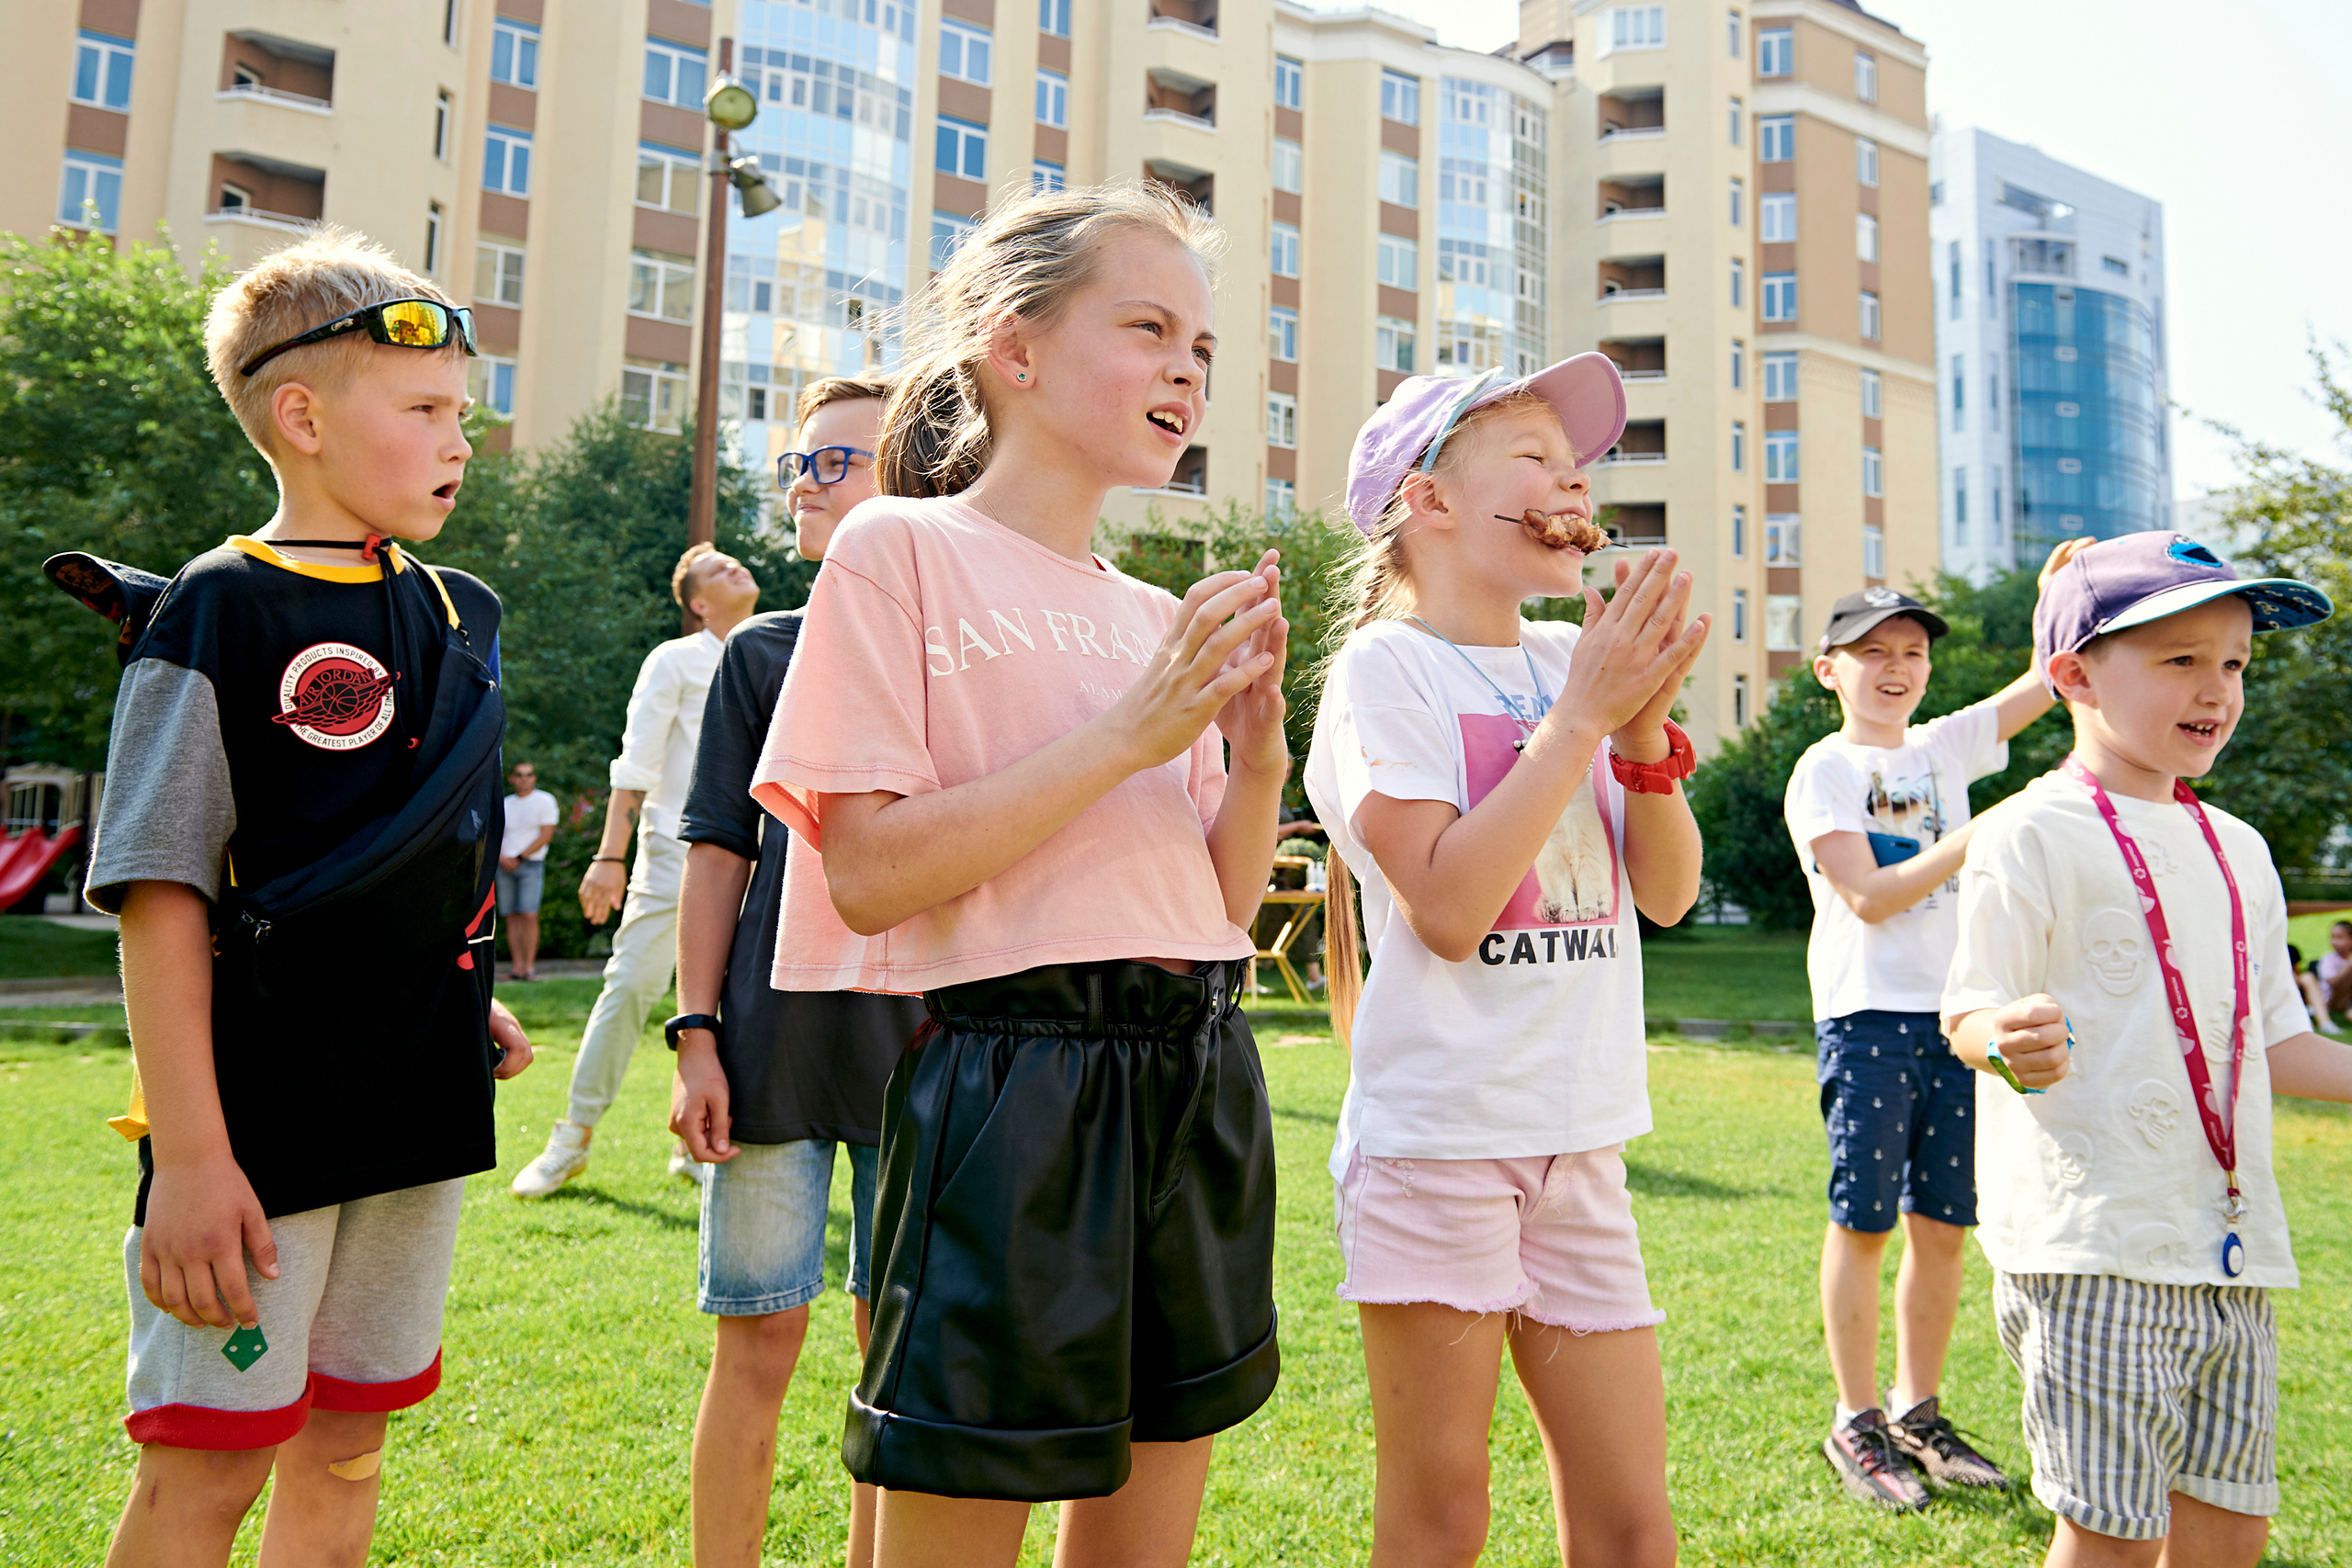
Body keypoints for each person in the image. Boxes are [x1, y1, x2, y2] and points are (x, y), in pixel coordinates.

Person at [748, 183, 1288, 1568]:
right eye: (1151, 326)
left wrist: (1256, 745)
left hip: (1200, 1070)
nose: (1187, 367)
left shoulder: (1158, 612)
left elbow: (1217, 911)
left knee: (1148, 1527)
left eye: (1205, 346)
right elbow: (866, 870)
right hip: (1015, 1081)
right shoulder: (900, 547)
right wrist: (1132, 733)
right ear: (1017, 347)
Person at [84, 227, 534, 1568]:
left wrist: (476, 998)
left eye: (464, 413)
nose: (461, 440)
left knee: (348, 1442)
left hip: (414, 1100)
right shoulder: (219, 609)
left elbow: (418, 846)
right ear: (303, 417)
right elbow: (159, 890)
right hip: (256, 1120)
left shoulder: (458, 612)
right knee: (206, 1467)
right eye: (426, 410)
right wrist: (196, 1157)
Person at [1303, 355, 1709, 1568]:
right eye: (1532, 455)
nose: (1570, 478)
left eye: (1575, 462)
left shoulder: (1558, 657)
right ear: (1426, 501)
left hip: (1578, 1137)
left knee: (1636, 1523)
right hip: (1438, 1145)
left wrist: (1638, 733)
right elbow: (1446, 906)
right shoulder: (1387, 670)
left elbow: (1670, 892)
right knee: (1442, 1514)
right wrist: (1585, 713)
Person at [1943, 530, 2352, 1566]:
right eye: (2179, 660)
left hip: (2229, 1250)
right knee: (2112, 1539)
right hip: (2090, 1247)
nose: (2215, 687)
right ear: (2072, 674)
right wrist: (2006, 1041)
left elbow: (2282, 1046)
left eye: (2233, 663)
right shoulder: (2026, 833)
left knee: (2230, 1528)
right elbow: (1967, 1014)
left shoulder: (2239, 849)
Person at [668, 374, 925, 1568]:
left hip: (927, 1052)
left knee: (898, 1349)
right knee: (757, 1342)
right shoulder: (760, 655)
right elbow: (719, 848)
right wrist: (694, 1031)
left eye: (839, 460)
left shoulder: (955, 646)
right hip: (767, 1041)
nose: (806, 483)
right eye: (801, 463)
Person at [1782, 542, 2087, 1511]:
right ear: (1830, 669)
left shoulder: (1944, 748)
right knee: (1864, 1223)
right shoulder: (1824, 771)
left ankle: (1919, 1412)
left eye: (1910, 650)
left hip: (1956, 1020)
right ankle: (1856, 1419)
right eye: (1871, 650)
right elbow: (1868, 896)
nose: (1895, 667)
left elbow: (2051, 680)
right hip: (1867, 1019)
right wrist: (1978, 835)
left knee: (1943, 1226)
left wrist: (2052, 602)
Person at [512, 544, 762, 1195]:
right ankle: (571, 1138)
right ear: (697, 604)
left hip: (756, 863)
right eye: (717, 570)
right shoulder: (674, 660)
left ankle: (697, 1143)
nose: (735, 567)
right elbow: (637, 765)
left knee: (728, 1009)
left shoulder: (771, 647)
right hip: (672, 860)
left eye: (736, 561)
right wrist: (609, 856)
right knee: (627, 991)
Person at [498, 761, 559, 981]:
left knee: (529, 914)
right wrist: (502, 858)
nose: (524, 778)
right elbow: (495, 835)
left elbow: (546, 835)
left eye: (529, 774)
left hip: (530, 864)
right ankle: (518, 969)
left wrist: (520, 857)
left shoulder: (545, 800)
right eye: (519, 775)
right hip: (503, 865)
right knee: (511, 917)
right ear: (512, 778)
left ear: (534, 778)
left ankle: (529, 968)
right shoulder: (504, 803)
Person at [2314, 919, 2352, 1025]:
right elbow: (2332, 982)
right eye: (2332, 937)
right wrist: (2349, 966)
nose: (2334, 941)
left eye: (2339, 937)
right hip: (2332, 1000)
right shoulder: (2328, 959)